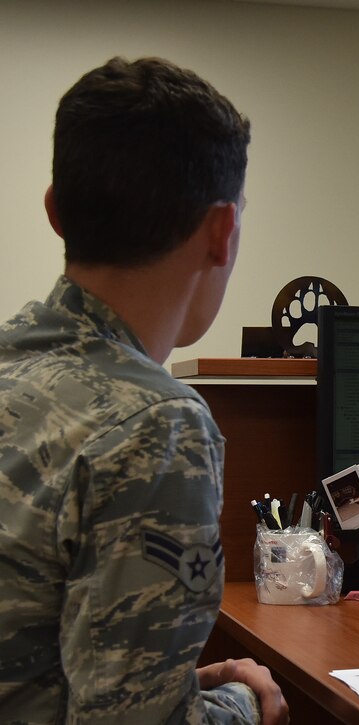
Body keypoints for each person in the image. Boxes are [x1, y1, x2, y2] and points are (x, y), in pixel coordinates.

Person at [0, 58, 288, 723]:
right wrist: (245, 701)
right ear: (222, 232)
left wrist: (177, 685)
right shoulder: (157, 425)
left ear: (55, 212)